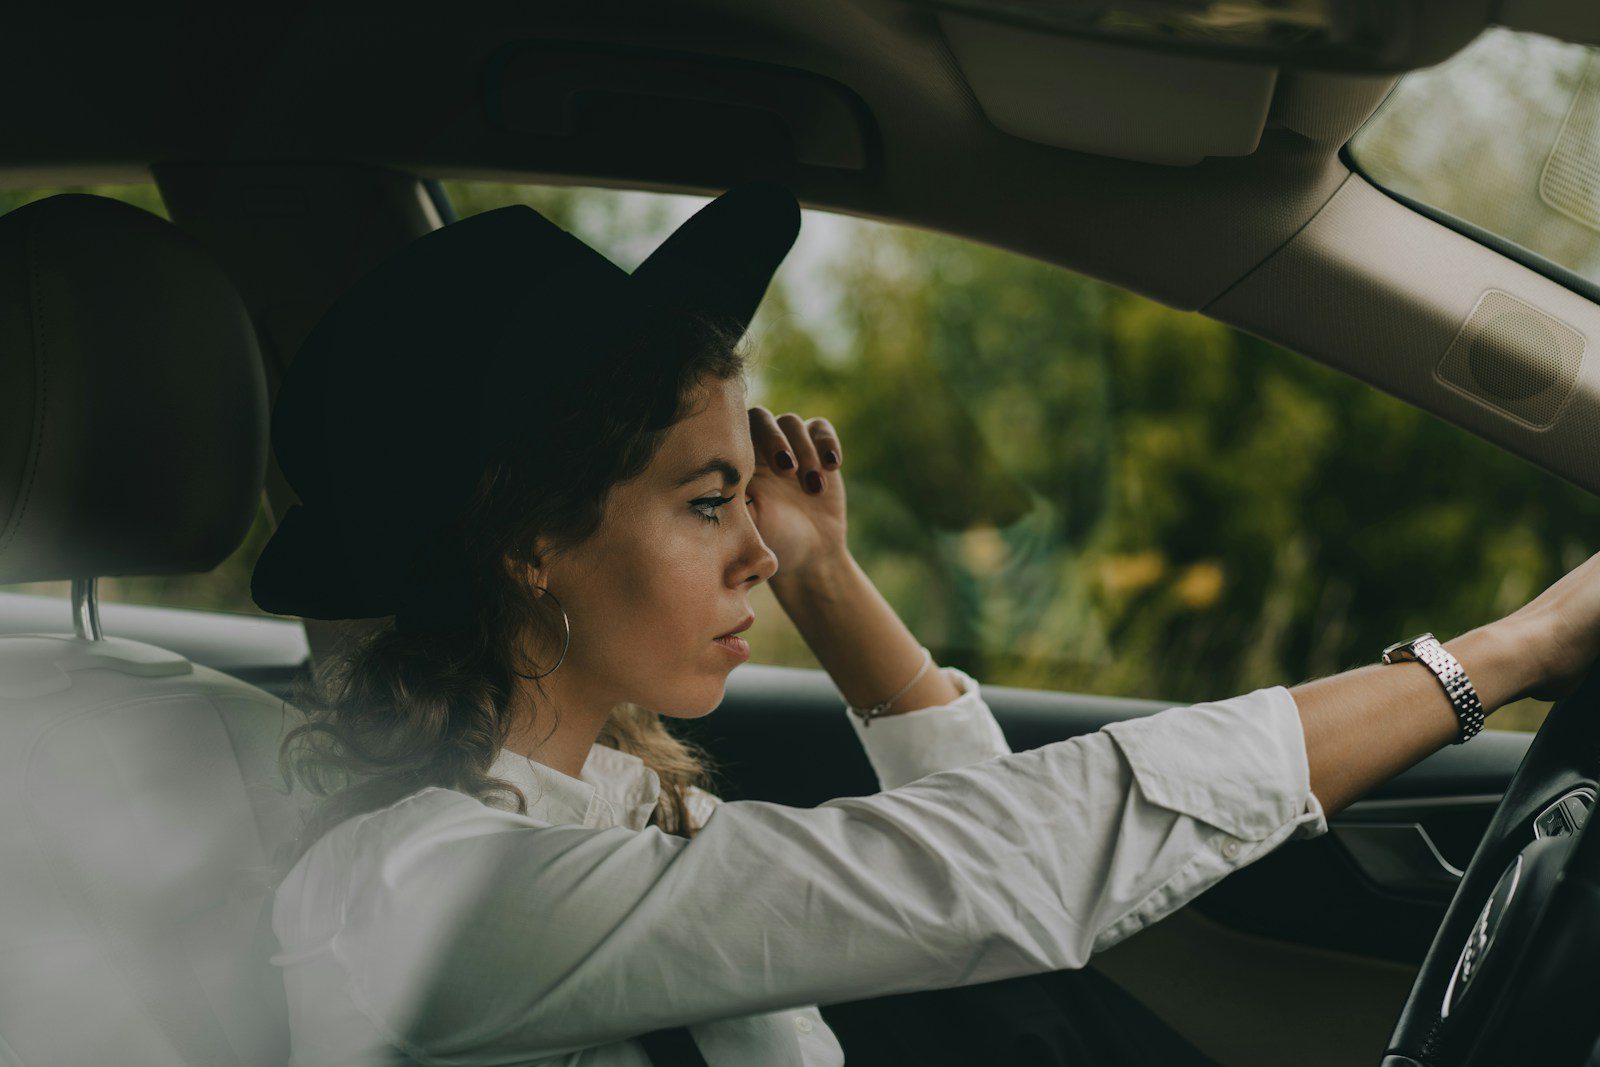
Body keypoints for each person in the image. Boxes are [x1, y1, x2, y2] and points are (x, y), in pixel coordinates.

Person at [250, 181, 1600, 1067]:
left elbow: (987, 887)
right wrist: (1509, 653)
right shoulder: (426, 896)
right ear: (530, 543)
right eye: (708, 501)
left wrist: (828, 580)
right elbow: (1004, 872)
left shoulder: (620, 808)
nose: (758, 546)